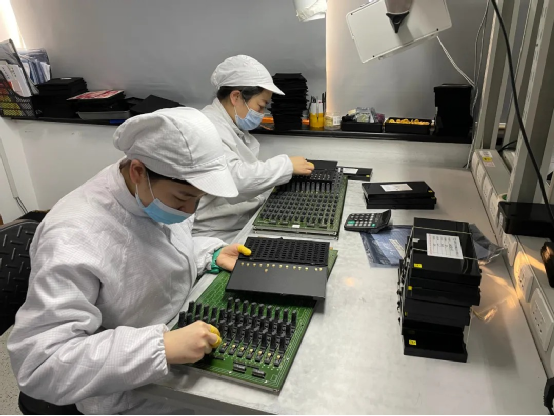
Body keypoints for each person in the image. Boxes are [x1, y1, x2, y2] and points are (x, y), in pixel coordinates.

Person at [8, 108, 251, 415]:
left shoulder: (149, 192)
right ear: (138, 171)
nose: (190, 211)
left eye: (198, 200)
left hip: (178, 335)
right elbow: (39, 364)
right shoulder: (74, 236)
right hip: (125, 387)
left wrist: (208, 254)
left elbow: (154, 253)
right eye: (182, 199)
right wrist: (159, 348)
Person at [195, 55, 315, 242]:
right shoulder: (206, 128)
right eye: (260, 106)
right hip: (215, 234)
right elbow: (235, 180)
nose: (261, 114)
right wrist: (286, 166)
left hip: (234, 223)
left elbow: (249, 174)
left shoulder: (234, 129)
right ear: (236, 97)